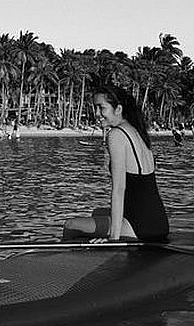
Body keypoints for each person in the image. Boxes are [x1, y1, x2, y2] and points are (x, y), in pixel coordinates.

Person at [63, 85, 169, 243]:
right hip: (157, 221)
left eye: (101, 108)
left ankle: (67, 262)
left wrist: (114, 238)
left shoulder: (116, 134)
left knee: (71, 225)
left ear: (118, 109)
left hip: (140, 226)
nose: (97, 113)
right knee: (97, 212)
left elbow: (119, 190)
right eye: (95, 108)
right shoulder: (136, 131)